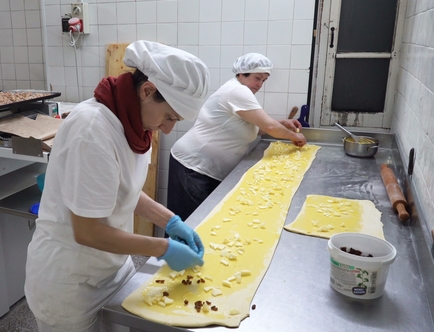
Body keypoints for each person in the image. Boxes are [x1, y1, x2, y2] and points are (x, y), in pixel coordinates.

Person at [25, 40, 209, 332]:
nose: (169, 128)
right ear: (148, 91)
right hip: (70, 281)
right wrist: (162, 247)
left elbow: (125, 189)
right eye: (170, 116)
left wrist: (170, 220)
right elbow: (87, 230)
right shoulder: (92, 131)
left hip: (111, 268)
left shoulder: (136, 125)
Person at [167, 53, 307, 221]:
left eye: (264, 80)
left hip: (205, 169)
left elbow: (255, 128)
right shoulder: (237, 91)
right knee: (190, 223)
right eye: (257, 78)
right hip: (192, 166)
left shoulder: (241, 91)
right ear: (242, 73)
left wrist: (282, 124)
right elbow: (268, 126)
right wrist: (294, 137)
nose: (260, 84)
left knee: (205, 222)